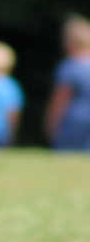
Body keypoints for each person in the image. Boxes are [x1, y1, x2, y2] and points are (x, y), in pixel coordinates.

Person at [45, 15, 90, 152]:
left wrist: (50, 124)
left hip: (73, 121)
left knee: (67, 158)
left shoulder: (69, 66)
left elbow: (60, 99)